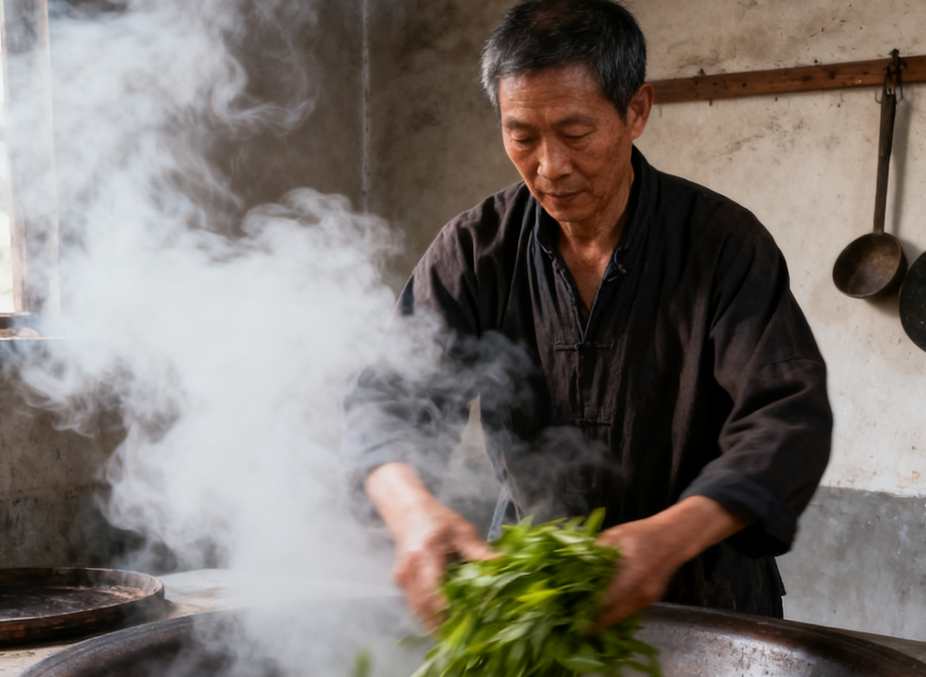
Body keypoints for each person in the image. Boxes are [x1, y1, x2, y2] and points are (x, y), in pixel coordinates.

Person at [354, 0, 831, 630]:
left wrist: (664, 539)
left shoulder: (721, 243)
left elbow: (786, 416)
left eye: (575, 133)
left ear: (635, 111)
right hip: (533, 592)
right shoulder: (475, 249)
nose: (551, 167)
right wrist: (413, 511)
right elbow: (389, 399)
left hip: (707, 596)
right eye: (522, 135)